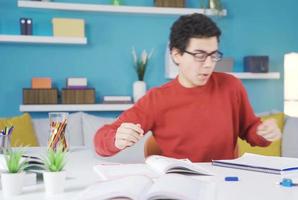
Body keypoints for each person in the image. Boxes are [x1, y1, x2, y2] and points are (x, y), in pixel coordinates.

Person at [94, 13, 281, 162]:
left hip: (224, 183)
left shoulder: (231, 86)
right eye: (199, 55)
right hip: (177, 186)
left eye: (213, 55)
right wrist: (115, 139)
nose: (208, 64)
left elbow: (250, 129)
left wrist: (263, 132)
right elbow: (101, 139)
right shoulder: (157, 99)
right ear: (177, 55)